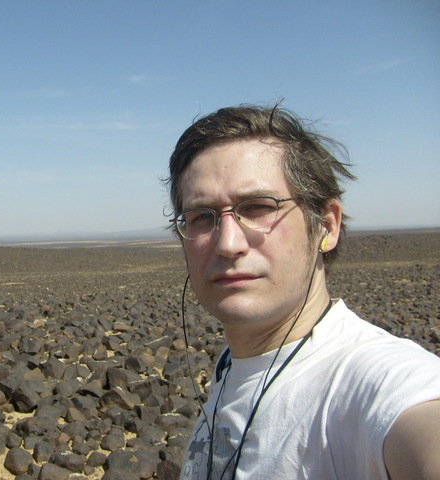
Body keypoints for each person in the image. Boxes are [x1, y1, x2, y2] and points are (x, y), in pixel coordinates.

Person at [165, 104, 440, 480]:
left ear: (326, 225)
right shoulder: (233, 363)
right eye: (201, 216)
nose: (228, 243)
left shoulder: (376, 385)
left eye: (259, 207)